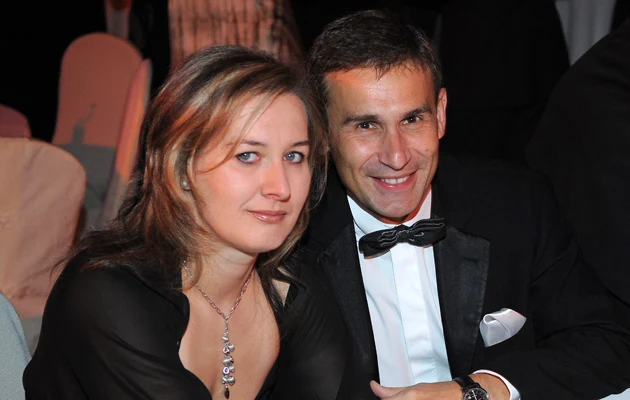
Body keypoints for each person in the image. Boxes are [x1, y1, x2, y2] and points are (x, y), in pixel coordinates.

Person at [292, 9, 630, 400]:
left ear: (440, 113)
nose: (396, 157)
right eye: (366, 125)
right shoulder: (292, 236)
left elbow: (607, 342)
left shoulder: (516, 206)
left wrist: (480, 390)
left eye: (412, 119)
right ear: (322, 132)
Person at [22, 44, 329, 399]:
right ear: (180, 168)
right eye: (247, 156)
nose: (281, 187)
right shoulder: (108, 293)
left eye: (295, 156)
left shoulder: (294, 284)